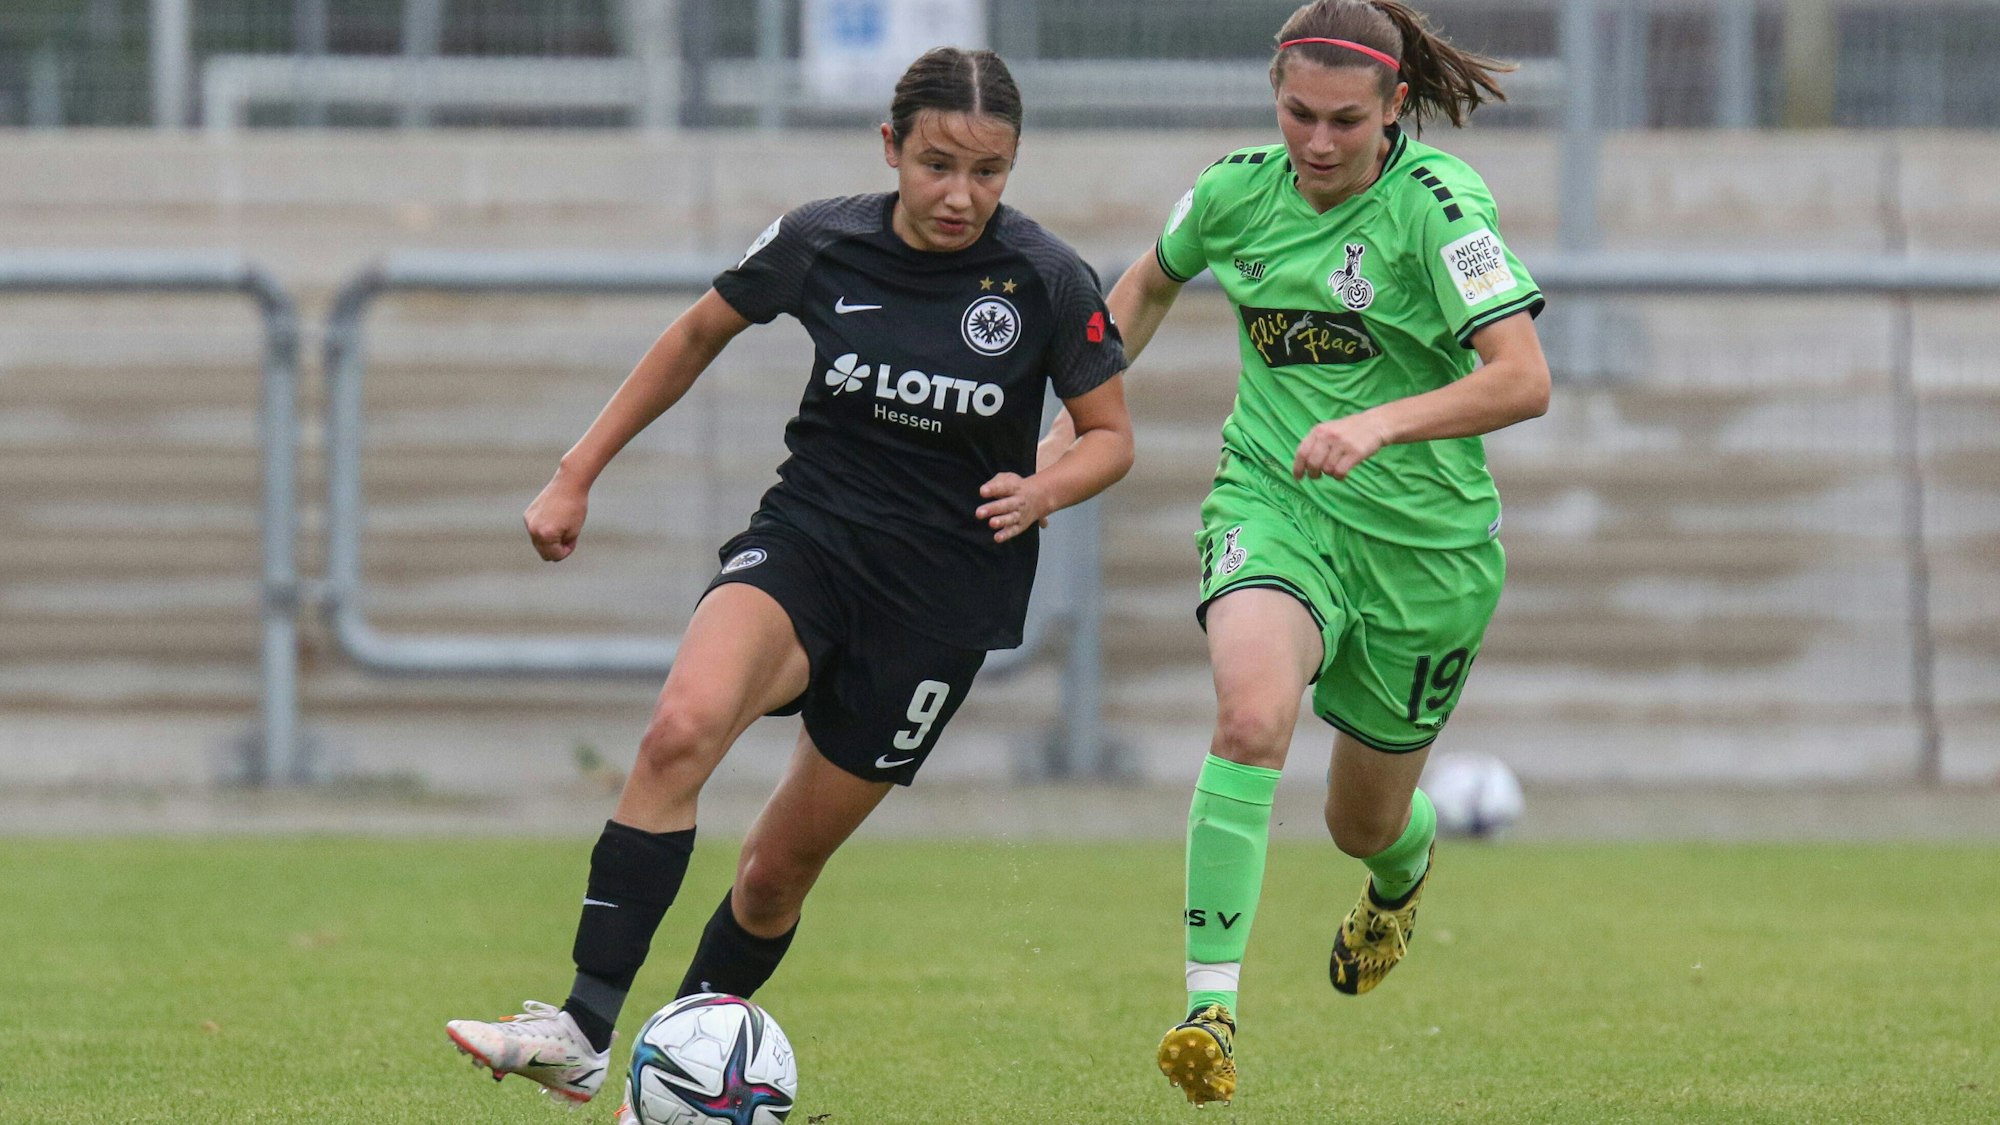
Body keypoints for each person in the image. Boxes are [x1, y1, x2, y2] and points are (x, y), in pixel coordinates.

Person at [443, 46, 1132, 1110]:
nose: (960, 195)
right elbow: (694, 335)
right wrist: (575, 473)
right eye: (938, 163)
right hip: (809, 542)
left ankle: (671, 1080)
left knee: (772, 875)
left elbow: (1108, 438)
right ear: (891, 146)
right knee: (680, 728)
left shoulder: (1043, 279)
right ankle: (579, 1030)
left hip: (940, 601)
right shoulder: (821, 240)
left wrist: (1046, 489)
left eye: (988, 172)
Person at [1056, 0, 1549, 1104]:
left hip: (1423, 555)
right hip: (1272, 505)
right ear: (1271, 99)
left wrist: (1380, 423)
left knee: (1356, 820)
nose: (1317, 144)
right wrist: (1068, 417)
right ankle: (1209, 1012)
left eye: (1342, 121)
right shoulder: (1233, 191)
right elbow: (1142, 285)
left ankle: (1399, 871)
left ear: (1395, 109)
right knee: (1247, 716)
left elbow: (1522, 379)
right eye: (1296, 116)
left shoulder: (1439, 208)